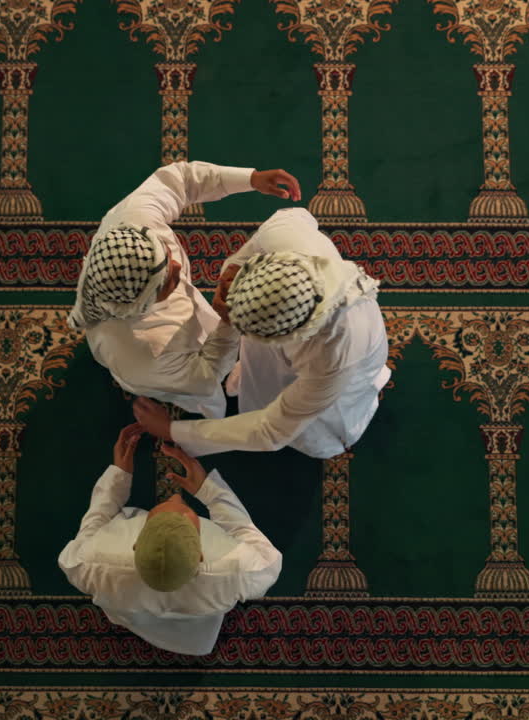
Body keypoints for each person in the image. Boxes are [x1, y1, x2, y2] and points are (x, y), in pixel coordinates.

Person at [133, 208, 390, 459]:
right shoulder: (286, 238)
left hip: (340, 377)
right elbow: (292, 218)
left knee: (316, 426)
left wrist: (173, 430)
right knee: (264, 377)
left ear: (288, 335)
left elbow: (272, 430)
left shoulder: (334, 356)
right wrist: (229, 278)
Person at [69, 161, 302, 418]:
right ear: (141, 305)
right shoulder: (147, 354)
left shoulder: (133, 221)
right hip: (165, 375)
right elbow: (205, 375)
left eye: (168, 257)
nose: (179, 267)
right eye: (167, 282)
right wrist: (227, 321)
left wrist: (250, 179)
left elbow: (180, 179)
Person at [57, 423, 283, 656]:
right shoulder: (236, 571)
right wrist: (210, 492)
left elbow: (92, 526)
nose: (175, 496)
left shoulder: (91, 563)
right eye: (183, 509)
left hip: (128, 610)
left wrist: (119, 476)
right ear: (201, 554)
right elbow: (266, 555)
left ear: (135, 544)